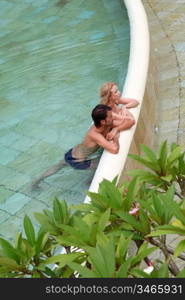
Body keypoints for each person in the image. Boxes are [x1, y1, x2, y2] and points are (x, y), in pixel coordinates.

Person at [31, 104, 120, 187]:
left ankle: (37, 180)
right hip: (77, 161)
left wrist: (115, 129)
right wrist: (116, 137)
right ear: (103, 121)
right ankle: (89, 183)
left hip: (73, 152)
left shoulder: (102, 125)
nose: (113, 118)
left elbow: (128, 122)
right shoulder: (95, 135)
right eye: (111, 116)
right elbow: (114, 149)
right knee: (100, 164)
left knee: (58, 166)